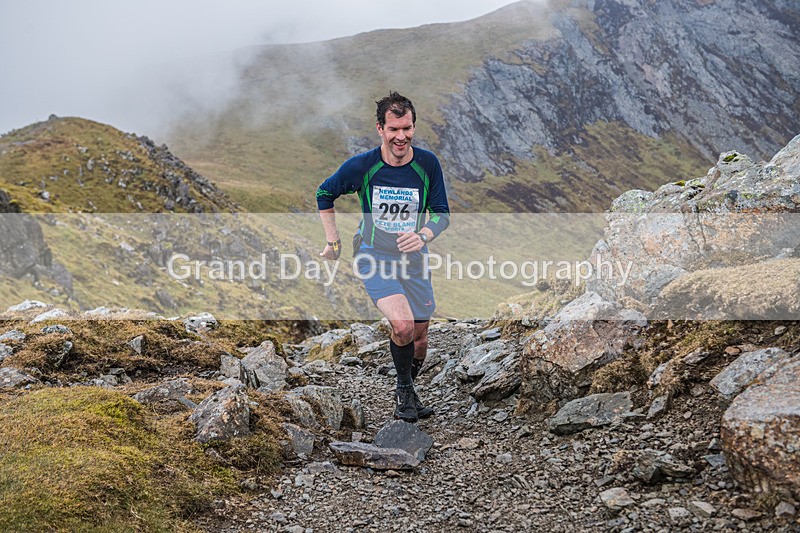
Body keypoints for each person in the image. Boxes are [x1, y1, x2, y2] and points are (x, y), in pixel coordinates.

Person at [316, 91, 450, 423]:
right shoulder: (363, 166)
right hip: (373, 255)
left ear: (413, 126)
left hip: (414, 258)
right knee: (403, 326)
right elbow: (324, 193)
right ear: (380, 129)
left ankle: (409, 388)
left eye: (407, 128)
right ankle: (403, 394)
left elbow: (441, 213)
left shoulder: (427, 164)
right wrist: (333, 241)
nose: (401, 137)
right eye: (393, 129)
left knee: (420, 336)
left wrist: (423, 235)